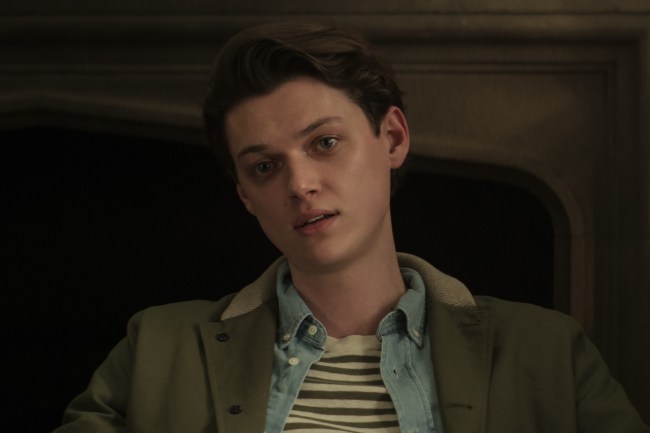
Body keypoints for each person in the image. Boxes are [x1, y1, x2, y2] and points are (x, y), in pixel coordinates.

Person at [53, 21, 649, 433]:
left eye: (325, 143)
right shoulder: (157, 348)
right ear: (246, 196)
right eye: (264, 166)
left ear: (392, 138)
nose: (300, 184)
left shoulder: (548, 351)